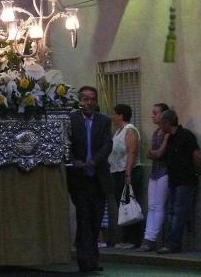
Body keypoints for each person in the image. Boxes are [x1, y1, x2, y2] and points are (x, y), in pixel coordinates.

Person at [67, 86, 112, 273]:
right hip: (79, 179)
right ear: (80, 101)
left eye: (92, 99)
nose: (89, 102)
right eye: (85, 99)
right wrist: (74, 161)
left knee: (96, 219)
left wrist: (94, 161)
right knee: (84, 217)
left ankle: (93, 259)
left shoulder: (104, 121)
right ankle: (84, 260)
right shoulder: (72, 120)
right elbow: (65, 143)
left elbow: (107, 145)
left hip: (98, 178)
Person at [156, 109, 201, 254]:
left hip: (185, 180)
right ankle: (171, 242)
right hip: (174, 180)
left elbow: (196, 155)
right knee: (172, 211)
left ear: (166, 123)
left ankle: (173, 244)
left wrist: (197, 171)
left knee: (178, 213)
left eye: (161, 123)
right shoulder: (169, 138)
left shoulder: (186, 135)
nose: (159, 126)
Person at [109, 103, 143, 249]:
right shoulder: (117, 132)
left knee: (130, 205)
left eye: (114, 114)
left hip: (128, 172)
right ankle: (125, 237)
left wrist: (128, 173)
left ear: (121, 115)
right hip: (116, 172)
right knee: (122, 206)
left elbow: (132, 152)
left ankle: (134, 239)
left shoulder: (130, 130)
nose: (112, 117)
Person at [140, 103, 170, 252]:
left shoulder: (166, 133)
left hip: (164, 171)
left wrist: (154, 153)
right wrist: (153, 153)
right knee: (151, 205)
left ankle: (151, 239)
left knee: (158, 206)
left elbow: (158, 153)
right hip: (155, 172)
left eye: (155, 113)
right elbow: (151, 153)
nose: (152, 116)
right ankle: (147, 236)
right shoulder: (156, 132)